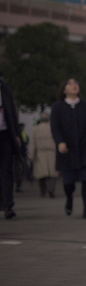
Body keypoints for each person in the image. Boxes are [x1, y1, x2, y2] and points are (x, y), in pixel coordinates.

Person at [52, 78, 86, 219]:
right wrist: (60, 142)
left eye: (76, 83)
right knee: (68, 183)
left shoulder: (84, 105)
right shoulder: (58, 107)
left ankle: (85, 210)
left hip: (83, 149)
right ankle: (69, 198)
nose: (74, 86)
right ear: (64, 89)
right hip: (67, 150)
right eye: (70, 84)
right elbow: (55, 127)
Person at [0, 74, 23, 219]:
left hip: (5, 135)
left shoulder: (5, 89)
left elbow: (12, 114)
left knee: (7, 170)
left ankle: (8, 205)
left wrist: (16, 135)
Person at [29, 111, 59, 198]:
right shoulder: (53, 128)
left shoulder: (35, 129)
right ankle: (51, 190)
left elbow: (32, 143)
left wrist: (31, 155)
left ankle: (43, 190)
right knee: (53, 173)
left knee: (41, 173)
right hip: (52, 152)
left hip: (40, 153)